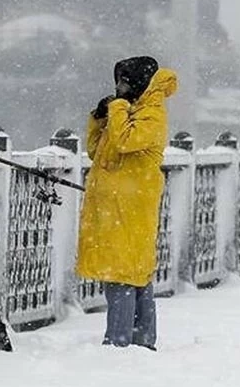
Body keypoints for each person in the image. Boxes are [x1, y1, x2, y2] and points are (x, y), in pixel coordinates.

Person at [76, 56, 177, 349]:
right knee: (133, 272)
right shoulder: (131, 112)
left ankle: (119, 342)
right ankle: (141, 338)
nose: (119, 88)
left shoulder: (152, 114)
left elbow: (124, 142)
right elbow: (99, 153)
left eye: (124, 82)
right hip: (114, 209)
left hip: (131, 209)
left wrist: (118, 107)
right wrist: (99, 119)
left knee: (122, 274)